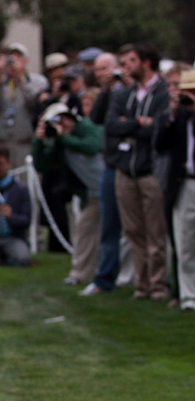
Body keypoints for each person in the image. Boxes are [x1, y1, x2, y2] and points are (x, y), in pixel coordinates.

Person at [106, 43, 170, 301]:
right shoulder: (125, 93)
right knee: (133, 231)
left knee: (155, 231)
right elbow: (111, 124)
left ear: (146, 63)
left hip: (150, 171)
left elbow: (158, 129)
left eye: (131, 61)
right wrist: (139, 123)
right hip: (125, 169)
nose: (125, 67)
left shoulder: (162, 92)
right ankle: (141, 284)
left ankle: (158, 285)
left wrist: (130, 125)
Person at [32, 103, 104, 285]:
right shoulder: (59, 141)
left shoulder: (86, 127)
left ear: (69, 117)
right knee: (84, 230)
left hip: (112, 185)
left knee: (120, 234)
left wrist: (63, 137)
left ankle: (124, 276)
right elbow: (41, 164)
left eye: (61, 120)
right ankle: (80, 274)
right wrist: (38, 141)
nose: (60, 124)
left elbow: (92, 146)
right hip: (91, 193)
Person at [81, 52, 129, 296]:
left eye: (104, 68)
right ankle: (105, 279)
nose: (100, 73)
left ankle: (145, 281)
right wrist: (105, 91)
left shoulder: (130, 90)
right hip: (111, 165)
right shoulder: (107, 92)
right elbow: (97, 118)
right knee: (109, 227)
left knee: (138, 229)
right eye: (97, 69)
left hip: (133, 165)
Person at [154, 69, 195, 311]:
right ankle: (188, 295)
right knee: (184, 242)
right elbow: (160, 145)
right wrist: (171, 115)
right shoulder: (176, 117)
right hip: (183, 183)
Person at [0, 44, 42, 169]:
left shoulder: (36, 81)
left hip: (23, 144)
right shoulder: (0, 82)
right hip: (1, 144)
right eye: (11, 56)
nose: (13, 60)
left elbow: (33, 103)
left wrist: (20, 78)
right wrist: (0, 74)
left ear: (26, 60)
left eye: (18, 56)